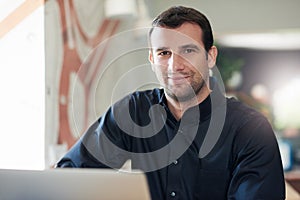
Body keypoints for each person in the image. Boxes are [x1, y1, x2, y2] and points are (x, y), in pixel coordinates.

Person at [56, 6, 285, 199]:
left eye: (188, 50)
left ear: (210, 56)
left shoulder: (250, 129)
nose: (175, 65)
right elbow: (69, 176)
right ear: (151, 59)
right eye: (164, 53)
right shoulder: (133, 112)